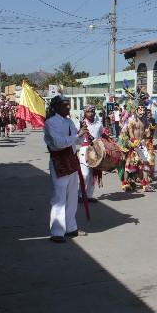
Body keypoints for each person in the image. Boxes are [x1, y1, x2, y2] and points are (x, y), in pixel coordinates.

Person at [44, 95, 88, 243]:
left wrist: (82, 134)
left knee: (72, 196)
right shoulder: (50, 123)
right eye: (65, 105)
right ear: (56, 107)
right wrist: (77, 135)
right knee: (59, 197)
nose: (68, 107)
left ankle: (71, 227)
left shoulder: (69, 121)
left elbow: (77, 141)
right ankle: (57, 231)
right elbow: (58, 143)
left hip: (71, 159)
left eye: (69, 105)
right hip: (59, 160)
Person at [77, 105, 105, 202]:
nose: (91, 113)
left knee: (94, 174)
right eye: (89, 111)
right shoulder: (80, 123)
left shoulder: (98, 124)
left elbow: (102, 134)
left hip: (96, 150)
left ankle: (89, 195)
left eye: (92, 111)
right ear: (85, 113)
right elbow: (75, 136)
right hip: (84, 149)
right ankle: (80, 195)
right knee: (85, 174)